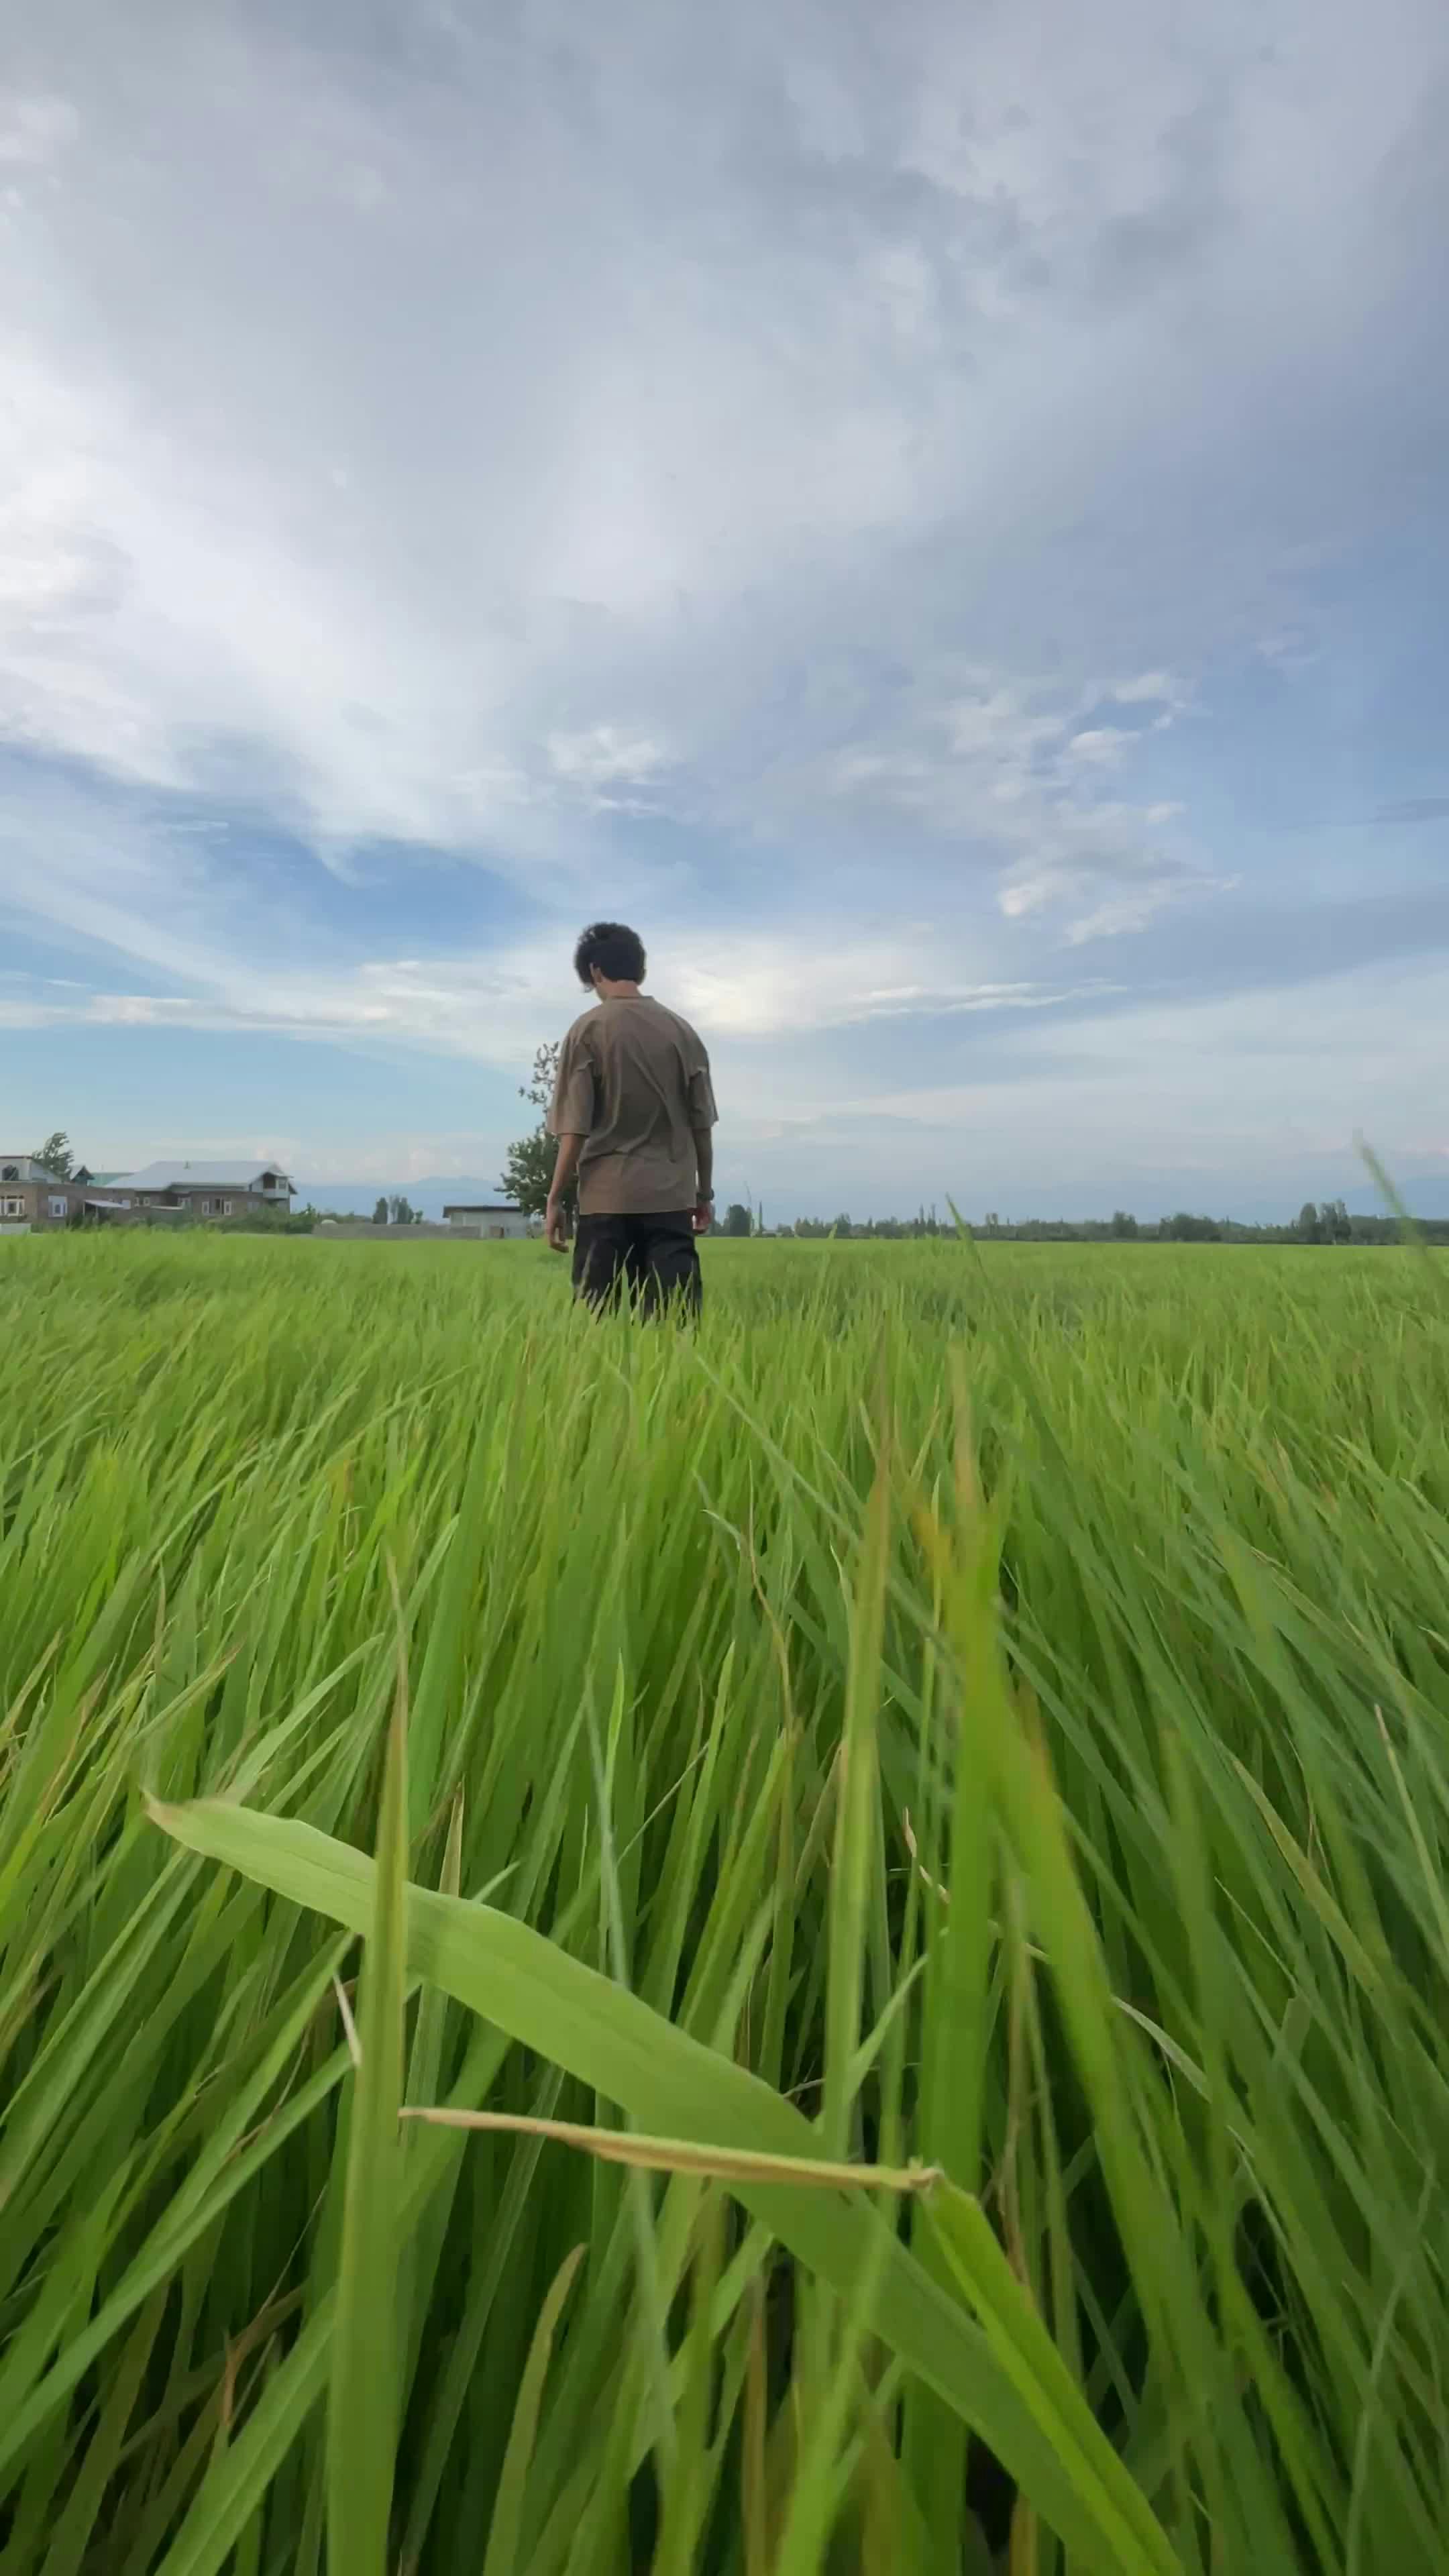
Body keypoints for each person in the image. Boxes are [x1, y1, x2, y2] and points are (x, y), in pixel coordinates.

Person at [545, 922, 716, 1316]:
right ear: (640, 969)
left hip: (605, 1204)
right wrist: (703, 1194)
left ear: (595, 972)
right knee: (675, 1329)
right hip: (671, 1202)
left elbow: (575, 1128)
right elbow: (702, 1127)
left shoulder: (587, 1030)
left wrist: (555, 1198)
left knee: (595, 1330)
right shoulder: (683, 1032)